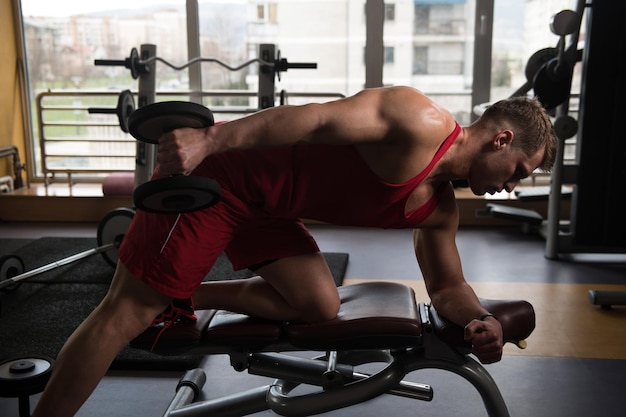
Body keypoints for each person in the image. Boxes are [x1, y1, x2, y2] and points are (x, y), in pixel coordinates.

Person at [32, 86, 556, 417]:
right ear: (500, 139)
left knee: (319, 306)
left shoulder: (438, 208)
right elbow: (315, 119)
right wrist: (210, 140)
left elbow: (446, 287)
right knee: (126, 313)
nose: (511, 187)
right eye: (518, 172)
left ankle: (179, 292)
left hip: (271, 211)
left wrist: (478, 319)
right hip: (221, 179)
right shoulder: (418, 120)